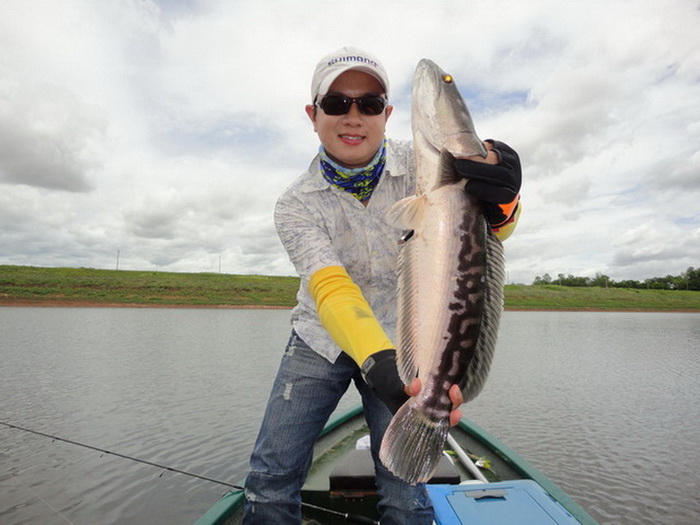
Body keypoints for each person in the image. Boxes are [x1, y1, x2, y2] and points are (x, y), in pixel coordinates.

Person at [242, 46, 521, 524]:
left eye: (369, 104)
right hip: (321, 340)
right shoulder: (294, 205)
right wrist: (376, 360)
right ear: (313, 115)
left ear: (388, 113)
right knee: (269, 481)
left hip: (411, 342)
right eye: (337, 103)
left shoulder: (426, 167)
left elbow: (488, 233)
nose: (354, 116)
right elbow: (331, 288)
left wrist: (506, 198)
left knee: (406, 494)